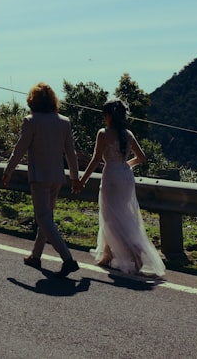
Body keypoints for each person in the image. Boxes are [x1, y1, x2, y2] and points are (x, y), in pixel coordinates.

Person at [2, 82, 82, 277]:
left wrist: (8, 170)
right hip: (57, 177)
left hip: (39, 177)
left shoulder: (31, 121)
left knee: (43, 218)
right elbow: (71, 153)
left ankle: (68, 258)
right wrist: (74, 177)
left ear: (33, 101)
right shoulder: (64, 121)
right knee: (47, 217)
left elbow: (20, 149)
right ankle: (35, 255)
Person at [79, 98, 165, 277]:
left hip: (111, 176)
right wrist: (126, 165)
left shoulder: (103, 133)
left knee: (111, 216)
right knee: (122, 215)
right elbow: (141, 158)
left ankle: (135, 252)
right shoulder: (129, 134)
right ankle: (107, 254)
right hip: (126, 175)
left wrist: (83, 179)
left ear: (109, 116)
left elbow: (95, 160)